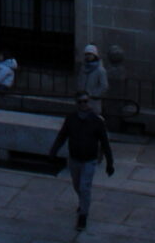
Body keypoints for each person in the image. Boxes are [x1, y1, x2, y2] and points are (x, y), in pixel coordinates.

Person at [48, 90, 116, 231]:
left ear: (89, 102)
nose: (83, 104)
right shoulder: (71, 119)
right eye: (80, 102)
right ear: (76, 103)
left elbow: (105, 143)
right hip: (75, 159)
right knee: (77, 185)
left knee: (85, 187)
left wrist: (110, 163)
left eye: (85, 101)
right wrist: (53, 151)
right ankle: (83, 202)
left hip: (89, 160)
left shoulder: (97, 121)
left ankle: (83, 216)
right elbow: (62, 136)